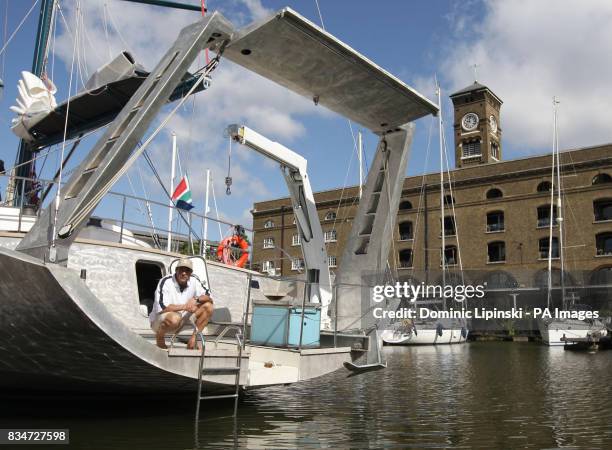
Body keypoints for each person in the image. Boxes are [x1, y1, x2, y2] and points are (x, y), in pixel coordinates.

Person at [149, 258, 214, 349]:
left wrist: (196, 299)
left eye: (187, 270)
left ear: (190, 273)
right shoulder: (166, 281)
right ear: (176, 270)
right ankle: (159, 338)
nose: (184, 273)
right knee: (174, 318)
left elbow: (210, 297)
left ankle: (193, 340)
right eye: (181, 270)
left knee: (208, 306)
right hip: (159, 321)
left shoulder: (194, 280)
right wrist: (186, 306)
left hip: (182, 320)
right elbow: (162, 307)